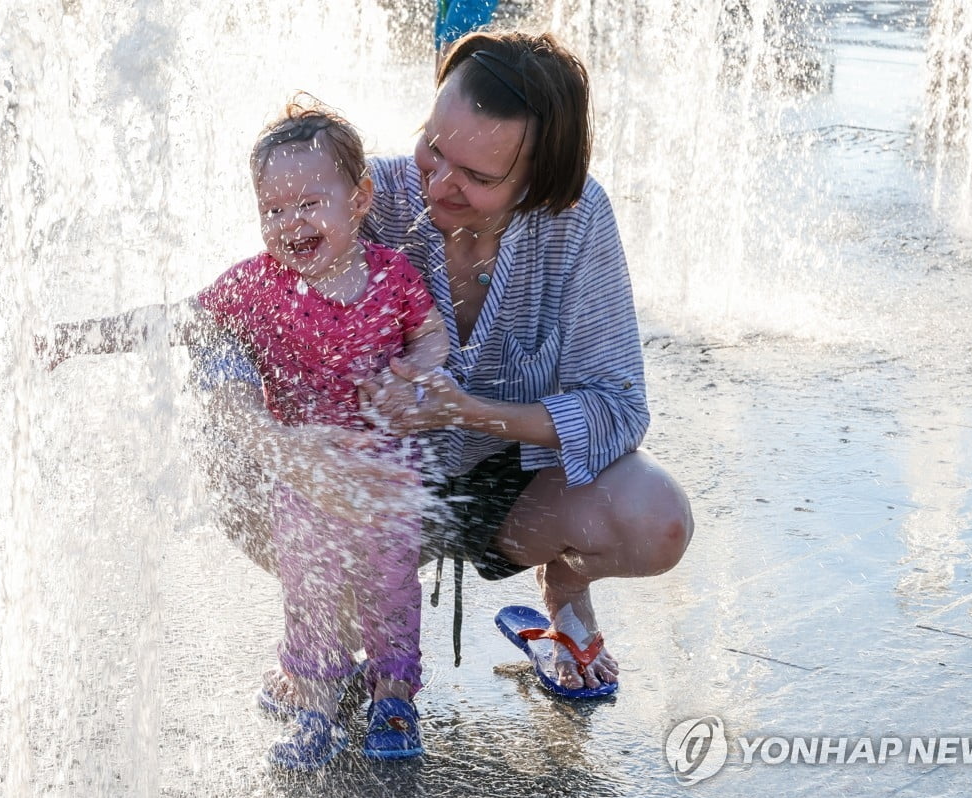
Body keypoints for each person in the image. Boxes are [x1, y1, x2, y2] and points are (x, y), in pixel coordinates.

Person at [221, 30, 694, 707]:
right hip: (379, 487)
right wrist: (269, 432)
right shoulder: (362, 198)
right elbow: (239, 319)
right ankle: (325, 635)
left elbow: (619, 410)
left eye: (476, 177)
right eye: (433, 148)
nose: (438, 183)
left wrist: (469, 412)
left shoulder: (576, 217)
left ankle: (563, 591)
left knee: (658, 519)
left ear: (540, 183)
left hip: (518, 487)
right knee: (237, 468)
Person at [38, 102, 450, 768]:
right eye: (273, 210)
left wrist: (417, 375)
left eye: (310, 202)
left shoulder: (392, 276)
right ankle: (317, 707)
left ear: (360, 199)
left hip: (382, 475)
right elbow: (173, 318)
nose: (290, 224)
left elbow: (431, 335)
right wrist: (73, 338)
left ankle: (394, 697)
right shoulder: (259, 285)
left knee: (391, 590)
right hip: (304, 481)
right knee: (308, 592)